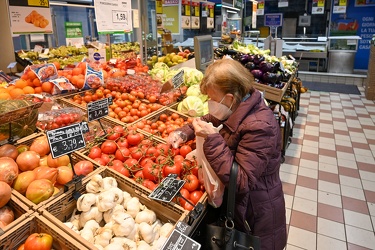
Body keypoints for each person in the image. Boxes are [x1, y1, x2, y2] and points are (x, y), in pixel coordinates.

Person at [168, 58, 287, 250]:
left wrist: (213, 139)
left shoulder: (260, 126)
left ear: (230, 98)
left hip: (254, 217)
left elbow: (242, 181)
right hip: (243, 208)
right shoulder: (240, 105)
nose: (210, 104)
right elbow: (211, 117)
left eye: (213, 99)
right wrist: (185, 131)